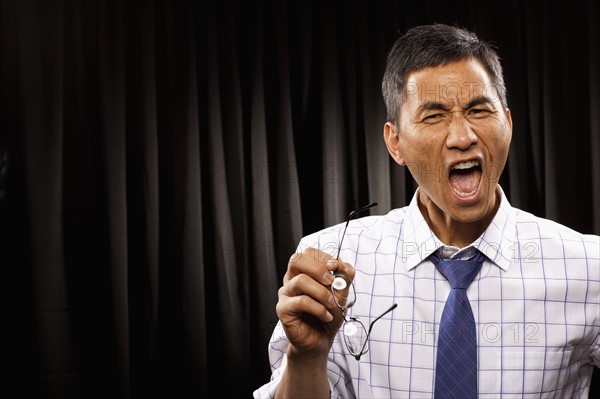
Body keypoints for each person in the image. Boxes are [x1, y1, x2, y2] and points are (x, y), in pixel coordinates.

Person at [254, 23, 600, 398]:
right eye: (434, 116)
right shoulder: (331, 267)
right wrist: (307, 357)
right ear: (395, 143)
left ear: (509, 124)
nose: (463, 136)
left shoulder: (589, 267)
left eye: (479, 110)